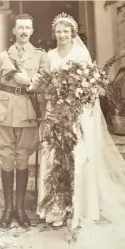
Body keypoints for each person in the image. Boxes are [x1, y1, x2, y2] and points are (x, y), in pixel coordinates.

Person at [37, 13, 125, 248]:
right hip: (56, 111)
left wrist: (78, 108)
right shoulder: (49, 55)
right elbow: (45, 82)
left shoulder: (80, 54)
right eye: (59, 31)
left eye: (66, 31)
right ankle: (55, 207)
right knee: (55, 157)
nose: (62, 35)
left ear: (73, 33)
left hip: (77, 114)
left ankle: (79, 207)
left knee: (78, 158)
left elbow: (89, 88)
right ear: (54, 33)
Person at [0, 13, 50, 229]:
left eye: (27, 28)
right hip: (2, 114)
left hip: (27, 113)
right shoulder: (2, 56)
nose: (23, 32)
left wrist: (30, 82)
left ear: (32, 31)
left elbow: (46, 86)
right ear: (13, 31)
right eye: (20, 28)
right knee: (6, 160)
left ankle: (21, 209)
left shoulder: (41, 56)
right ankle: (8, 209)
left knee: (22, 160)